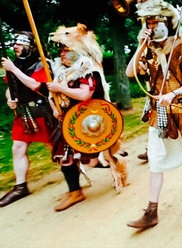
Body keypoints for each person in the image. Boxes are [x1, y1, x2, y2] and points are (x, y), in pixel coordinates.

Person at [125, 0, 182, 229]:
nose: (151, 27)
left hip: (179, 108)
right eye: (148, 23)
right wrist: (140, 45)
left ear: (167, 23)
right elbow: (131, 73)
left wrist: (172, 94)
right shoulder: (147, 50)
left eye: (155, 23)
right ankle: (152, 211)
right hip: (157, 112)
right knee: (156, 158)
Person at [46, 23, 126, 211]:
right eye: (61, 51)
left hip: (90, 120)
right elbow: (54, 96)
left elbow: (84, 95)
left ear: (76, 51)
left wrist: (60, 88)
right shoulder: (62, 71)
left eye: (66, 50)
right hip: (67, 120)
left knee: (90, 160)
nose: (62, 54)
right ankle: (75, 191)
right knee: (65, 157)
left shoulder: (87, 69)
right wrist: (54, 107)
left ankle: (116, 163)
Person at [0, 31, 55, 207]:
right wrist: (10, 98)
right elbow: (11, 87)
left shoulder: (41, 64)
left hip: (42, 112)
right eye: (15, 44)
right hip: (23, 114)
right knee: (18, 147)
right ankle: (20, 186)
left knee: (56, 149)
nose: (15, 47)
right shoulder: (14, 65)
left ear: (30, 46)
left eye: (20, 44)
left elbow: (36, 85)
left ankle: (87, 163)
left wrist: (13, 69)